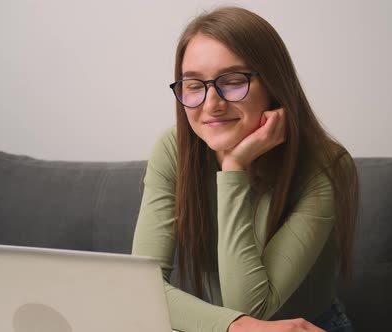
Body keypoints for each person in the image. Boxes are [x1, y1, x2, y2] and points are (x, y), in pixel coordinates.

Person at [132, 6, 359, 332]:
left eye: (234, 81)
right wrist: (237, 328)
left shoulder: (327, 165)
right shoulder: (173, 149)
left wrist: (233, 167)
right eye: (194, 85)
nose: (212, 104)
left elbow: (251, 305)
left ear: (273, 85)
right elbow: (142, 288)